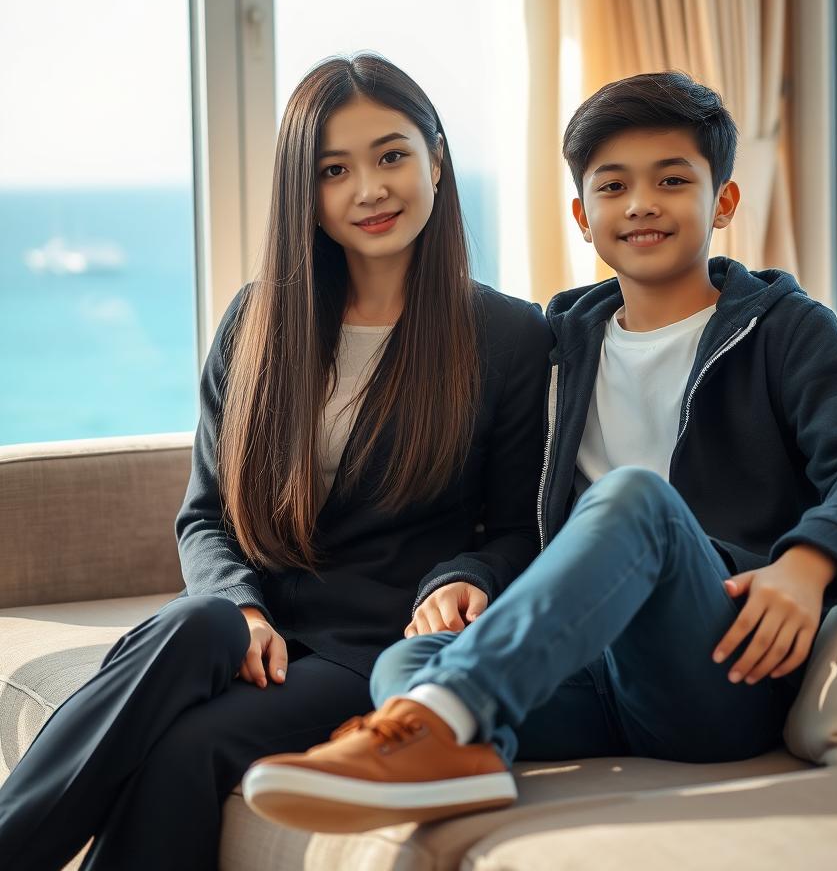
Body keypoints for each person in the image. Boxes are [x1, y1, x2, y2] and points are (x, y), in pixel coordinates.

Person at [239, 70, 837, 835]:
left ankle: (431, 726)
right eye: (613, 186)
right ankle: (457, 755)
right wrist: (467, 576)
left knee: (635, 499)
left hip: (721, 668)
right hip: (584, 679)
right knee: (405, 660)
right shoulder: (560, 343)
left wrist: (807, 566)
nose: (640, 204)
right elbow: (511, 512)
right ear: (581, 215)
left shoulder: (785, 329)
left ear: (723, 202)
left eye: (672, 180)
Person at [0, 52, 552, 870]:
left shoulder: (508, 335)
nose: (369, 189)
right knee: (197, 619)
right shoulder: (257, 320)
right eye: (335, 169)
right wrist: (245, 610)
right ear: (306, 192)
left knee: (184, 754)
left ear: (436, 160)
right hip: (254, 627)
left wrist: (462, 577)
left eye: (392, 155)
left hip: (368, 643)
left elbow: (518, 529)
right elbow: (206, 514)